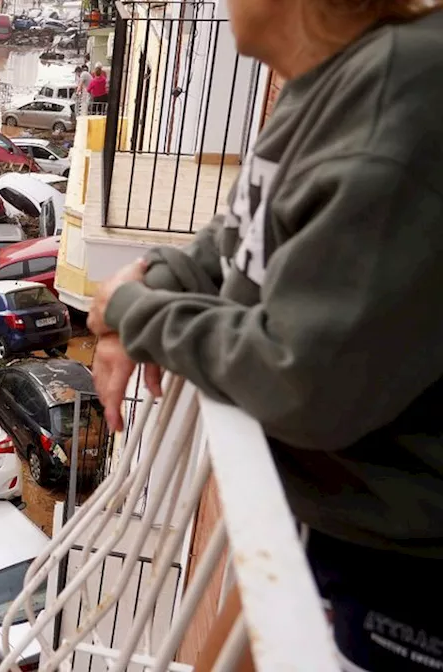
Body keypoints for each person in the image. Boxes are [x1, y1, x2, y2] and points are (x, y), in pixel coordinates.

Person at [85, 0, 442, 667]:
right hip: (344, 524)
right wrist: (150, 288)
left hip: (408, 575)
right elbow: (235, 240)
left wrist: (132, 310)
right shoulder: (329, 82)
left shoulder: (400, 95)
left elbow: (301, 377)